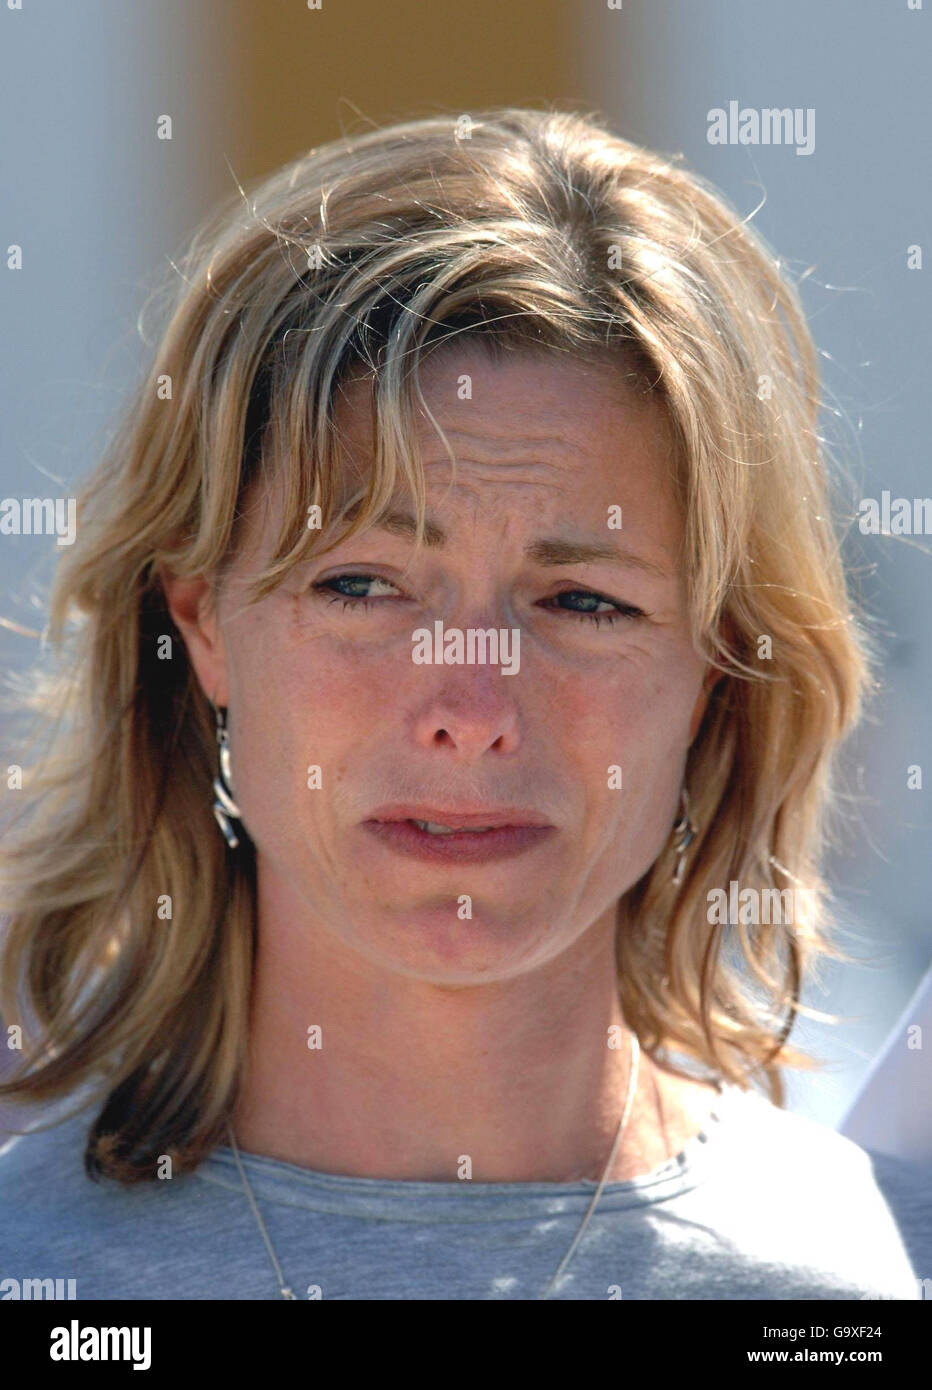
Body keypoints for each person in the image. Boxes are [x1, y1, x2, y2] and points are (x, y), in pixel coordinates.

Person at [0, 106, 928, 1302]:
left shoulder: (871, 1277)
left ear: (714, 671)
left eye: (582, 601)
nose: (473, 705)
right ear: (203, 626)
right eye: (363, 584)